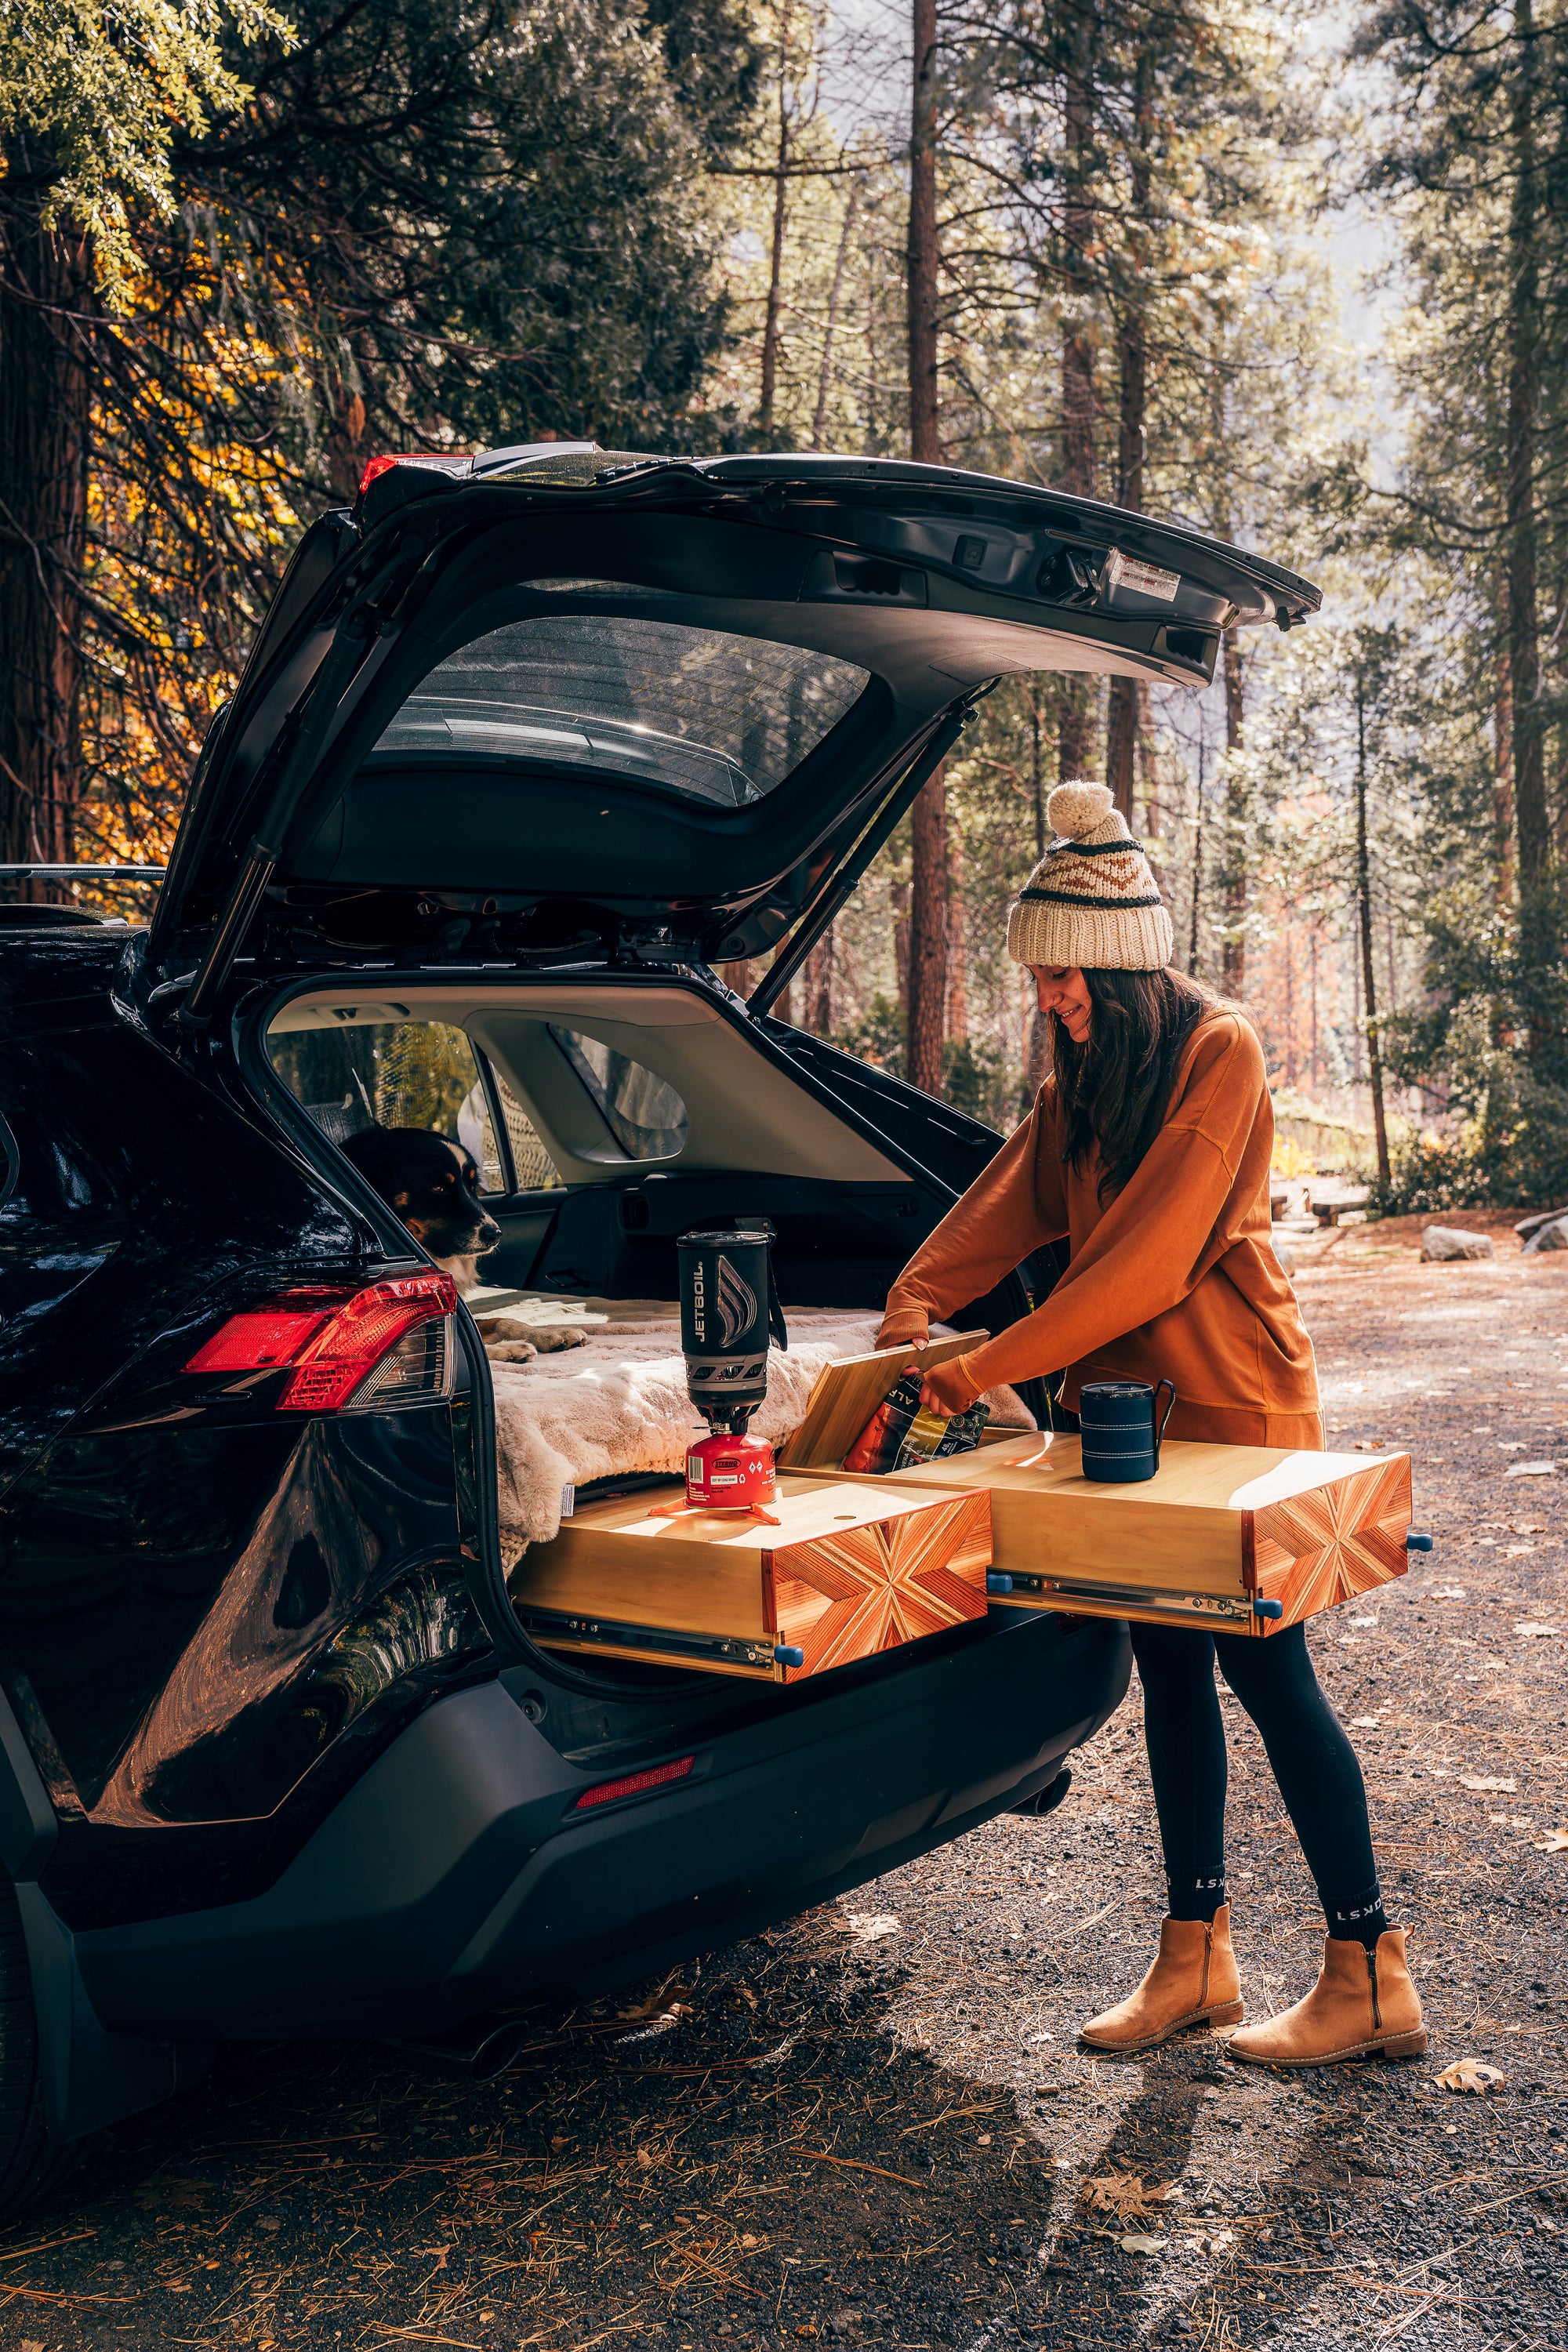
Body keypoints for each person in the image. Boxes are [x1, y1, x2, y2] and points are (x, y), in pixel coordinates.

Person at [875, 779, 1425, 2067]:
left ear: (1119, 964)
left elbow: (1147, 1264)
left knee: (1265, 1667)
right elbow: (1006, 1205)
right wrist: (915, 1304)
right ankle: (1197, 1959)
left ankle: (1367, 1966)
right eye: (1043, 979)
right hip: (1120, 1418)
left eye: (1067, 976)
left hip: (1233, 1402)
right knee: (1166, 1666)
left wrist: (981, 1367)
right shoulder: (1087, 1073)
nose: (1051, 998)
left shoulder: (1217, 1049)